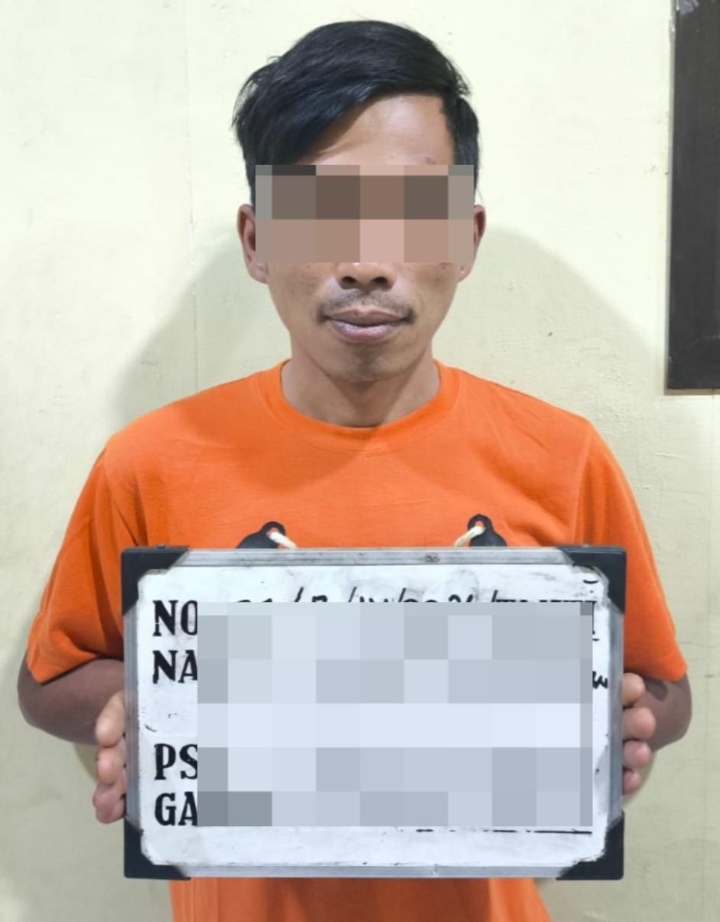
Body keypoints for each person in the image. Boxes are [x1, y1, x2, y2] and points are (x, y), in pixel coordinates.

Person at [16, 18, 691, 922]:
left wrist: (620, 713)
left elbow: (662, 685)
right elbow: (49, 679)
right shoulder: (151, 461)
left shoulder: (561, 457)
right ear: (256, 241)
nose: (367, 264)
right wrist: (161, 698)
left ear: (466, 238)